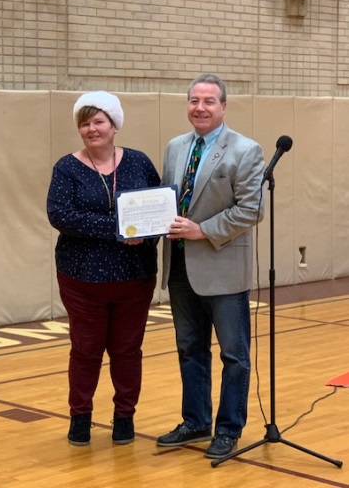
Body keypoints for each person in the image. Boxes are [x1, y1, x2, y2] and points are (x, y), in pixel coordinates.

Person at [157, 73, 265, 458]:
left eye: (208, 101)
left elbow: (251, 209)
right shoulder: (174, 147)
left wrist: (203, 230)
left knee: (234, 356)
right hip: (180, 266)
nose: (199, 107)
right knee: (190, 349)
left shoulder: (246, 150)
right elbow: (167, 201)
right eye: (194, 101)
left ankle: (228, 430)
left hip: (222, 268)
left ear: (223, 106)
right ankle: (196, 421)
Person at [47, 91, 160, 447]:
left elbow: (158, 205)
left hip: (134, 276)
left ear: (114, 125)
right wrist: (117, 230)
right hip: (82, 278)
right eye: (85, 122)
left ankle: (124, 417)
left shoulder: (139, 162)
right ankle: (80, 417)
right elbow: (61, 215)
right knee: (86, 349)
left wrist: (147, 235)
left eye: (99, 121)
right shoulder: (67, 167)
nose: (91, 129)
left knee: (128, 350)